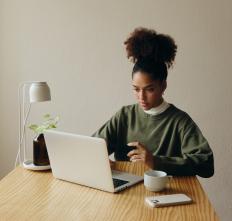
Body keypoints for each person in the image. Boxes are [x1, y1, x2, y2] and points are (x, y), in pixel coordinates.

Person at [92, 27, 214, 178]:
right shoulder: (125, 115)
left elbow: (206, 164)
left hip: (165, 190)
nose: (141, 97)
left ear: (163, 86)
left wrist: (155, 161)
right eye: (136, 89)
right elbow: (92, 147)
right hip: (125, 188)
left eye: (149, 89)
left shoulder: (180, 121)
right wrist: (98, 159)